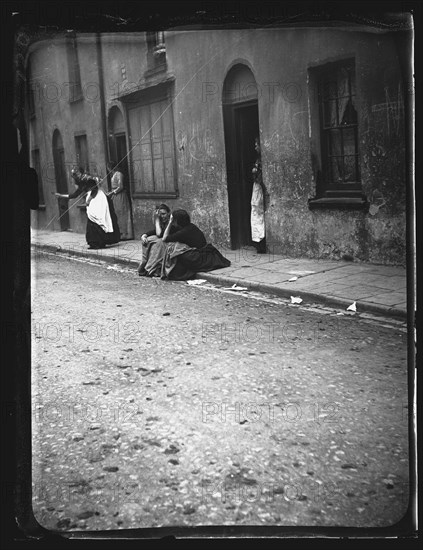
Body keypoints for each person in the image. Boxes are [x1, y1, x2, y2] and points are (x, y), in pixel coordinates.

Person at [55, 167, 120, 249]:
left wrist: (88, 201)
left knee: (98, 218)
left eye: (77, 173)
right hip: (92, 198)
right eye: (74, 175)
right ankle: (96, 242)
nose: (76, 176)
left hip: (98, 198)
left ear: (81, 173)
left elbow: (94, 190)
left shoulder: (89, 179)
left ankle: (100, 241)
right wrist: (61, 196)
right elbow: (75, 195)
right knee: (92, 218)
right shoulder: (81, 182)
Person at [160, 209, 231, 280]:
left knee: (176, 252)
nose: (172, 222)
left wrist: (169, 223)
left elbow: (164, 238)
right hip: (201, 252)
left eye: (173, 220)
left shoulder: (184, 232)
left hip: (198, 256)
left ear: (177, 221)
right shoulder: (189, 226)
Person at [137, 204, 177, 277]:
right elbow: (155, 231)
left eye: (164, 214)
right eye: (160, 215)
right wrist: (144, 235)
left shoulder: (172, 223)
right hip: (165, 241)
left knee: (159, 243)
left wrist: (157, 220)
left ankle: (150, 268)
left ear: (169, 213)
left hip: (174, 244)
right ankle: (145, 263)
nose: (162, 216)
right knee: (148, 240)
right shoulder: (163, 222)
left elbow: (159, 234)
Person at [250, 137, 269, 254]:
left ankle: (260, 241)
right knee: (256, 212)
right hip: (257, 187)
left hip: (259, 188)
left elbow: (258, 176)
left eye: (257, 145)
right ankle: (258, 241)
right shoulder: (259, 159)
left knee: (258, 212)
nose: (255, 147)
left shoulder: (262, 161)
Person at [106, 162, 133, 241]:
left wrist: (112, 192)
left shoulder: (119, 174)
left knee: (122, 213)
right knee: (117, 213)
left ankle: (126, 233)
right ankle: (120, 233)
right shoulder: (114, 174)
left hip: (120, 195)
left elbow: (120, 187)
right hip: (115, 196)